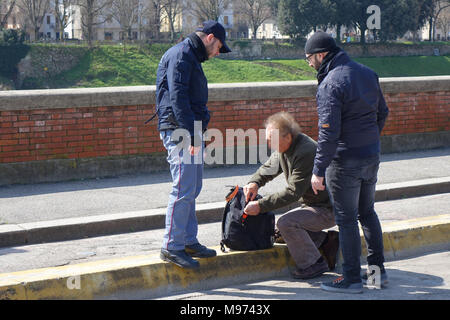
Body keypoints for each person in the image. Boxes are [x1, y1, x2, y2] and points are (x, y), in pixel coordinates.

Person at [305, 31, 389, 293]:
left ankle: (351, 279)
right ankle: (377, 273)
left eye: (309, 58)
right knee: (368, 213)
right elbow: (383, 113)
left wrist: (318, 170)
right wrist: (369, 139)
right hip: (371, 155)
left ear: (321, 55)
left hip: (344, 162)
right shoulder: (367, 73)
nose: (308, 64)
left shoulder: (331, 83)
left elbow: (328, 133)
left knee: (347, 219)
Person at [156, 21, 231, 269]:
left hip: (186, 129)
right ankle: (172, 246)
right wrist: (192, 133)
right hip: (180, 130)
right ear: (210, 37)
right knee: (183, 190)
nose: (218, 53)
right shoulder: (182, 55)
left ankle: (187, 240)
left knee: (192, 187)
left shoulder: (188, 55)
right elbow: (178, 97)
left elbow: (182, 96)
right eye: (219, 46)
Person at [243, 112, 340, 279]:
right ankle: (326, 241)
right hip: (314, 205)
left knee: (286, 223)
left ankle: (313, 264)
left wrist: (260, 206)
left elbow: (293, 193)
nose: (268, 143)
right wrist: (255, 182)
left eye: (270, 139)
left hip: (328, 209)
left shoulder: (305, 151)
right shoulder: (284, 147)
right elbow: (269, 168)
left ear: (287, 137)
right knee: (278, 232)